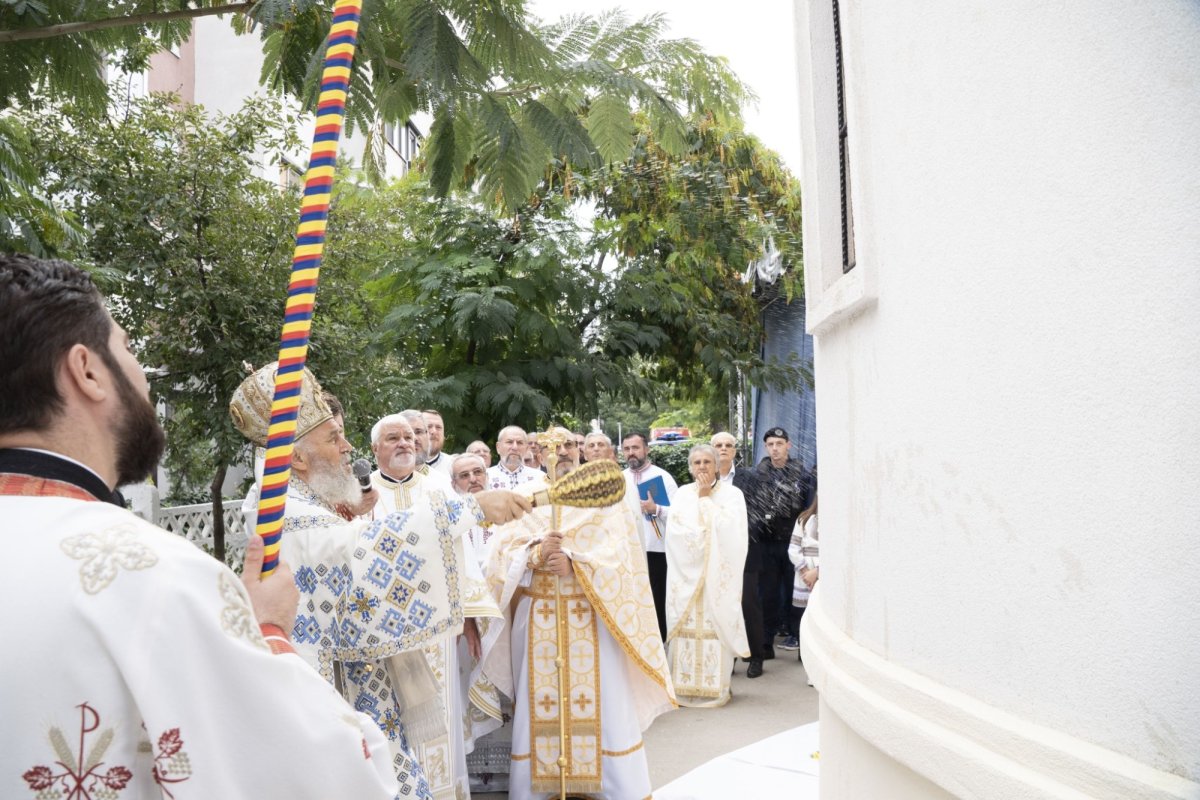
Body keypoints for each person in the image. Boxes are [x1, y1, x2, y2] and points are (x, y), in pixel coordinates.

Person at [0, 254, 399, 797]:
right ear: (87, 371)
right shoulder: (152, 577)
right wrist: (269, 634)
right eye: (128, 350)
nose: (142, 378)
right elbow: (340, 776)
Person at [230, 363, 531, 798]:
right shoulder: (283, 509)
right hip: (331, 692)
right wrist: (473, 508)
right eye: (334, 437)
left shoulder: (303, 497)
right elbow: (365, 547)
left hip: (356, 680)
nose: (347, 446)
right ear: (296, 457)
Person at [481, 428, 676, 799]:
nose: (561, 454)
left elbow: (623, 558)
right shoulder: (524, 498)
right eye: (550, 448)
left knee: (604, 704)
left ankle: (612, 786)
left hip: (592, 616)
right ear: (537, 454)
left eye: (569, 445)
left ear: (580, 450)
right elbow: (499, 554)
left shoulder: (607, 498)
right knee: (539, 706)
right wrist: (533, 555)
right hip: (537, 617)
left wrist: (576, 564)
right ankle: (539, 788)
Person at [368, 414, 504, 800]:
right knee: (396, 720)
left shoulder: (439, 489)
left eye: (410, 437)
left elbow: (461, 554)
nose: (405, 443)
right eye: (393, 437)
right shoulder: (362, 497)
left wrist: (473, 618)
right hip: (387, 633)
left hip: (439, 627)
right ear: (376, 448)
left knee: (442, 718)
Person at [665, 445, 750, 706]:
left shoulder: (732, 494)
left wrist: (704, 499)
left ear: (716, 466)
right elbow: (676, 534)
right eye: (697, 462)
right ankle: (682, 690)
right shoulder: (681, 494)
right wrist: (704, 536)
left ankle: (717, 690)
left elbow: (733, 533)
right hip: (687, 576)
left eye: (706, 462)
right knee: (687, 629)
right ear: (691, 467)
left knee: (715, 626)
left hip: (718, 578)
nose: (702, 466)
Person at [712, 431, 768, 678]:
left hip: (745, 553)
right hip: (715, 555)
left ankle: (756, 657)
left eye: (728, 445)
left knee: (748, 605)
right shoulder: (705, 480)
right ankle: (728, 657)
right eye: (718, 445)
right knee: (722, 605)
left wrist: (734, 535)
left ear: (735, 451)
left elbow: (758, 516)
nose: (723, 449)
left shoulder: (750, 479)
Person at [756, 427, 814, 655]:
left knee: (796, 594)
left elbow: (809, 508)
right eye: (770, 444)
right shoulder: (758, 474)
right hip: (768, 542)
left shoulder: (802, 474)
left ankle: (800, 641)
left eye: (779, 444)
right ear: (765, 447)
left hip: (793, 543)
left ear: (788, 445)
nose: (775, 448)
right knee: (767, 594)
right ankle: (766, 642)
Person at [621, 431, 678, 640]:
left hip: (656, 550)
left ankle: (660, 642)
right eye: (626, 449)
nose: (631, 453)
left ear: (646, 449)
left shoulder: (663, 477)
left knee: (657, 598)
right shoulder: (620, 479)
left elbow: (680, 515)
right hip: (628, 550)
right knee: (632, 598)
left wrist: (656, 508)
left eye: (635, 448)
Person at [789, 493, 819, 677]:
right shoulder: (804, 519)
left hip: (822, 576)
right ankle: (805, 656)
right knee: (804, 618)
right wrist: (804, 571)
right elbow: (793, 547)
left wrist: (818, 572)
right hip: (804, 574)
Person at [487, 425, 544, 490]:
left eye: (519, 443)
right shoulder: (485, 477)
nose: (515, 447)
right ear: (498, 447)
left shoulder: (539, 478)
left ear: (526, 449)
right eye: (509, 442)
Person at [423, 409, 454, 477]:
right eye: (429, 426)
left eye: (438, 427)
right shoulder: (401, 467)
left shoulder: (455, 466)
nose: (434, 431)